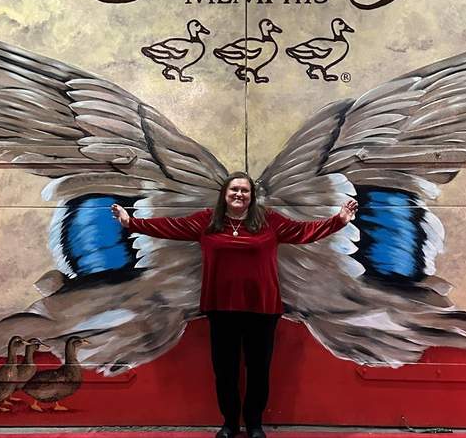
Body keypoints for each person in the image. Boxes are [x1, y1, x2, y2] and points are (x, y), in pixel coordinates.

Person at [111, 171, 358, 438]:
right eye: (234, 190)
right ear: (224, 195)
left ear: (252, 197)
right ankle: (229, 424)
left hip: (262, 309)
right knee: (225, 372)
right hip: (221, 309)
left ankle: (254, 425)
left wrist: (339, 221)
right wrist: (131, 223)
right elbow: (170, 226)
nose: (239, 194)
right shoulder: (206, 221)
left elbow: (303, 232)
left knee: (259, 371)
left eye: (244, 190)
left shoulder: (269, 221)